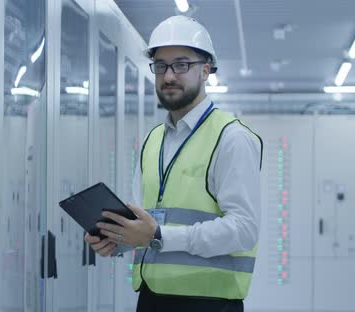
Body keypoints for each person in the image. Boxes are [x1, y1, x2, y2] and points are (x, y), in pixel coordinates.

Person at [84, 15, 262, 312]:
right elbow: (149, 222)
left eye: (181, 65)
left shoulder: (231, 137)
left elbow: (244, 229)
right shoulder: (154, 140)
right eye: (161, 66)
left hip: (209, 303)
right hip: (152, 298)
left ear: (206, 70)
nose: (168, 76)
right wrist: (118, 239)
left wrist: (158, 236)